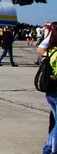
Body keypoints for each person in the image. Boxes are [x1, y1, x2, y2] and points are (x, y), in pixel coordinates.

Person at [37, 23, 57, 154]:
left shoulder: (49, 51)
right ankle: (51, 150)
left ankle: (48, 148)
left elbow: (40, 51)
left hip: (50, 90)